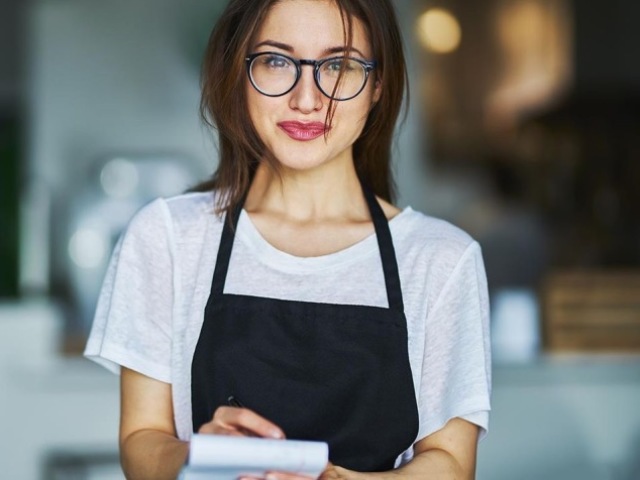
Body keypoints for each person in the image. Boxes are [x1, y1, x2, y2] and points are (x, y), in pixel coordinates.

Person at [84, 0, 491, 479]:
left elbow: (449, 464)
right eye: (277, 61)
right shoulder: (168, 238)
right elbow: (141, 443)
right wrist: (199, 455)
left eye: (338, 65)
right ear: (239, 69)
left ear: (378, 83)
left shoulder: (441, 259)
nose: (306, 99)